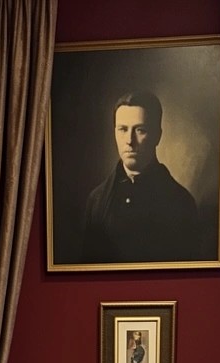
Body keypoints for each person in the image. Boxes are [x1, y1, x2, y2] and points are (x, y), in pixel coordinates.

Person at [82, 91, 199, 264]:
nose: (129, 140)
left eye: (140, 130)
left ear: (157, 136)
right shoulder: (96, 201)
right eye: (122, 129)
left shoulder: (181, 202)